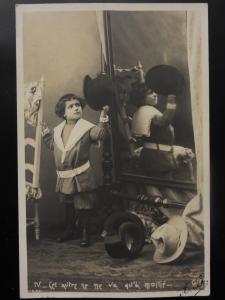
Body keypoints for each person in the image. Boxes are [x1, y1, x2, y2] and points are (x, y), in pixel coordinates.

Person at [42, 93, 109, 247]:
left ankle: (85, 232)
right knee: (68, 203)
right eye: (71, 106)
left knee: (83, 203)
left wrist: (103, 114)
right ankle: (70, 229)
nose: (76, 108)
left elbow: (100, 134)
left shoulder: (86, 128)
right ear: (63, 113)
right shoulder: (58, 130)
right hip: (65, 175)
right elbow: (53, 145)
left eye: (78, 105)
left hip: (81, 175)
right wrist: (45, 132)